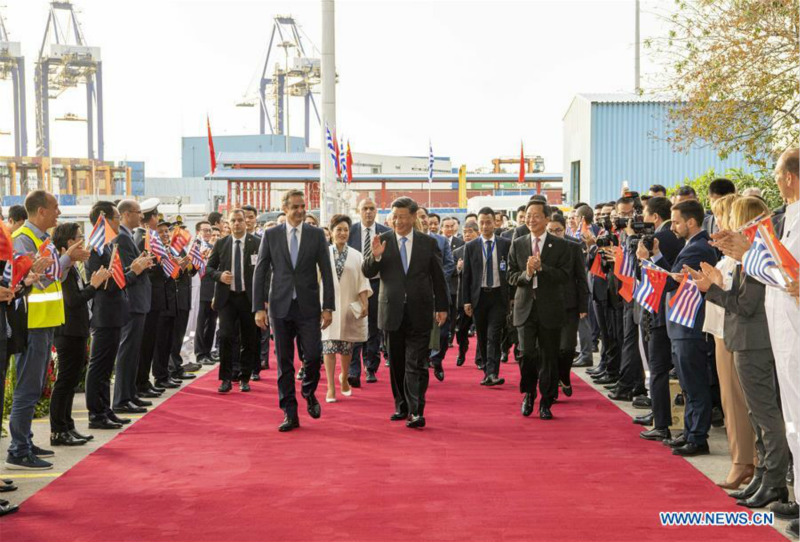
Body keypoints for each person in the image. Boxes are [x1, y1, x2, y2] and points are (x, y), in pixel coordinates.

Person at [696, 196, 790, 508]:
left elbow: (746, 305)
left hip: (754, 341)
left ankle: (774, 480)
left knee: (765, 415)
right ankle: (764, 475)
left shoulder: (757, 254)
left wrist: (712, 291)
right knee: (757, 413)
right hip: (746, 339)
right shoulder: (751, 255)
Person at [6, 190, 90, 470]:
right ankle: (18, 448)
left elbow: (54, 275)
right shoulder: (23, 239)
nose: (59, 213)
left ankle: (25, 440)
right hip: (32, 324)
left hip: (46, 323)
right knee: (27, 388)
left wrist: (69, 261)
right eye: (55, 208)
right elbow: (32, 280)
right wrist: (62, 263)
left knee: (35, 386)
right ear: (40, 211)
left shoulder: (43, 240)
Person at [253, 190, 335, 432]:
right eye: (296, 207)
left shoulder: (316, 234)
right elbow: (260, 271)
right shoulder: (271, 234)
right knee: (284, 362)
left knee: (312, 355)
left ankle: (308, 391)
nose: (300, 211)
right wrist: (258, 308)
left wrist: (328, 306)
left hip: (308, 307)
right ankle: (289, 412)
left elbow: (327, 272)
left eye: (303, 206)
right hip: (280, 307)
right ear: (285, 208)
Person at [363, 197, 448, 429]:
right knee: (398, 362)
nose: (398, 221)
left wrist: (442, 307)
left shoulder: (427, 243)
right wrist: (376, 255)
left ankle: (417, 410)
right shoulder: (383, 240)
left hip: (420, 310)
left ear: (413, 217)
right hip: (391, 310)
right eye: (394, 217)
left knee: (416, 362)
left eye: (402, 217)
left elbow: (438, 278)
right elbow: (368, 270)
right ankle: (401, 405)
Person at [695, 194, 756, 487]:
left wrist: (715, 285)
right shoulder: (731, 255)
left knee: (737, 401)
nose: (718, 223)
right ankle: (744, 460)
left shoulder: (747, 254)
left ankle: (745, 461)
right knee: (731, 400)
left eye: (723, 216)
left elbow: (740, 298)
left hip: (735, 331)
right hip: (723, 329)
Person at [657, 199, 718, 456]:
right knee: (687, 382)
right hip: (683, 325)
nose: (673, 227)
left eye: (677, 221)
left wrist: (655, 260)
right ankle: (691, 431)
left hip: (690, 325)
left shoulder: (698, 248)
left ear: (691, 222)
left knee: (694, 382)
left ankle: (697, 436)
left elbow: (672, 281)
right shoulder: (692, 245)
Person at [85, 201, 152, 430]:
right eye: (114, 217)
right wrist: (133, 270)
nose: (117, 222)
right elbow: (108, 283)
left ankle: (105, 410)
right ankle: (97, 414)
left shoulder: (105, 246)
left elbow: (116, 279)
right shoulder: (96, 249)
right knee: (99, 367)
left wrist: (131, 269)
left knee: (105, 369)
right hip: (105, 313)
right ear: (104, 220)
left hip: (115, 312)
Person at [507, 200, 570, 420]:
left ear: (546, 218)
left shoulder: (560, 245)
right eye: (528, 215)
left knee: (549, 357)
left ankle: (546, 400)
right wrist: (527, 274)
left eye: (536, 215)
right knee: (526, 354)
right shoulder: (518, 243)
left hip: (550, 308)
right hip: (525, 307)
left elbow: (565, 276)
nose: (531, 219)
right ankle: (529, 393)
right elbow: (511, 276)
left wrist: (543, 268)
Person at [50, 223, 111, 445]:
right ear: (69, 243)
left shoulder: (72, 266)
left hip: (76, 329)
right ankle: (58, 430)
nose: (83, 241)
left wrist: (93, 283)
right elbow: (73, 300)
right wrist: (94, 285)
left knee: (72, 380)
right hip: (67, 331)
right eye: (79, 237)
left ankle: (68, 426)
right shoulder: (62, 267)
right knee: (65, 381)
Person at [635, 196, 684, 441]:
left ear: (654, 216)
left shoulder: (658, 240)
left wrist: (644, 257)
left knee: (658, 369)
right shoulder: (679, 240)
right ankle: (659, 416)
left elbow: (657, 274)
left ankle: (661, 421)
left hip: (661, 309)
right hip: (676, 311)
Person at [206, 209, 261, 393]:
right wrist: (220, 275)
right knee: (226, 336)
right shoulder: (221, 243)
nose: (237, 224)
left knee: (249, 338)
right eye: (233, 221)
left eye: (240, 220)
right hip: (227, 298)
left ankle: (245, 377)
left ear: (246, 222)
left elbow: (266, 271)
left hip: (248, 298)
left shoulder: (257, 243)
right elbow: (209, 268)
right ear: (228, 223)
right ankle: (226, 379)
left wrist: (264, 299)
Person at [322, 215, 372, 402]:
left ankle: (344, 376)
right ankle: (330, 387)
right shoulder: (323, 253)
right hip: (327, 306)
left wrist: (365, 303)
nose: (342, 233)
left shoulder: (357, 255)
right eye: (339, 229)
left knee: (345, 347)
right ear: (331, 231)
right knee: (328, 346)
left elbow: (362, 281)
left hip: (349, 306)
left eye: (345, 230)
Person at [112, 200, 154, 414]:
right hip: (133, 301)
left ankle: (130, 394)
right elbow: (130, 269)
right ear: (127, 214)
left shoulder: (127, 235)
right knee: (127, 352)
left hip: (138, 300)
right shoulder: (122, 236)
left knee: (133, 352)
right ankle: (122, 398)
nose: (141, 216)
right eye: (138, 213)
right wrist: (143, 264)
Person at [462, 207, 511, 387]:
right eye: (481, 222)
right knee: (482, 335)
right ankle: (486, 369)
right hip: (479, 297)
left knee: (494, 335)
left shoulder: (505, 244)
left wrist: (511, 298)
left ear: (495, 223)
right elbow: (466, 276)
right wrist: (466, 300)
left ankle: (493, 372)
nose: (485, 226)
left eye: (488, 222)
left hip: (498, 296)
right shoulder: (471, 246)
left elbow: (511, 271)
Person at [347, 198, 390, 387]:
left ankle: (371, 367)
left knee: (374, 328)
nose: (368, 212)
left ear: (377, 211)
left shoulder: (386, 233)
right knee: (354, 327)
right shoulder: (350, 232)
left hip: (377, 284)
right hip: (354, 286)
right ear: (358, 211)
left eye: (372, 208)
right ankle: (353, 370)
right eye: (364, 208)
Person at [546, 213, 588, 398]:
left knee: (567, 347)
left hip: (570, 305)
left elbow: (581, 278)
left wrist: (583, 306)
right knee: (551, 348)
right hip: (546, 304)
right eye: (551, 230)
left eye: (558, 230)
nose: (555, 234)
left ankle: (564, 374)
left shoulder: (573, 247)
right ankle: (553, 384)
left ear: (565, 230)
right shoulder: (540, 247)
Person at [417, 207, 454, 382]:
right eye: (419, 217)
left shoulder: (440, 241)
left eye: (424, 216)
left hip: (438, 292)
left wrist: (435, 280)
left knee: (442, 331)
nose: (423, 220)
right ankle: (422, 364)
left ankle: (437, 359)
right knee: (422, 332)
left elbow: (448, 264)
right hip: (419, 295)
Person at [193, 220, 218, 365]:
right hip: (201, 289)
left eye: (209, 230)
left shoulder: (214, 246)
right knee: (201, 323)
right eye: (205, 230)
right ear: (198, 232)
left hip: (214, 289)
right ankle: (200, 353)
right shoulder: (195, 247)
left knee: (212, 322)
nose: (208, 233)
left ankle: (208, 351)